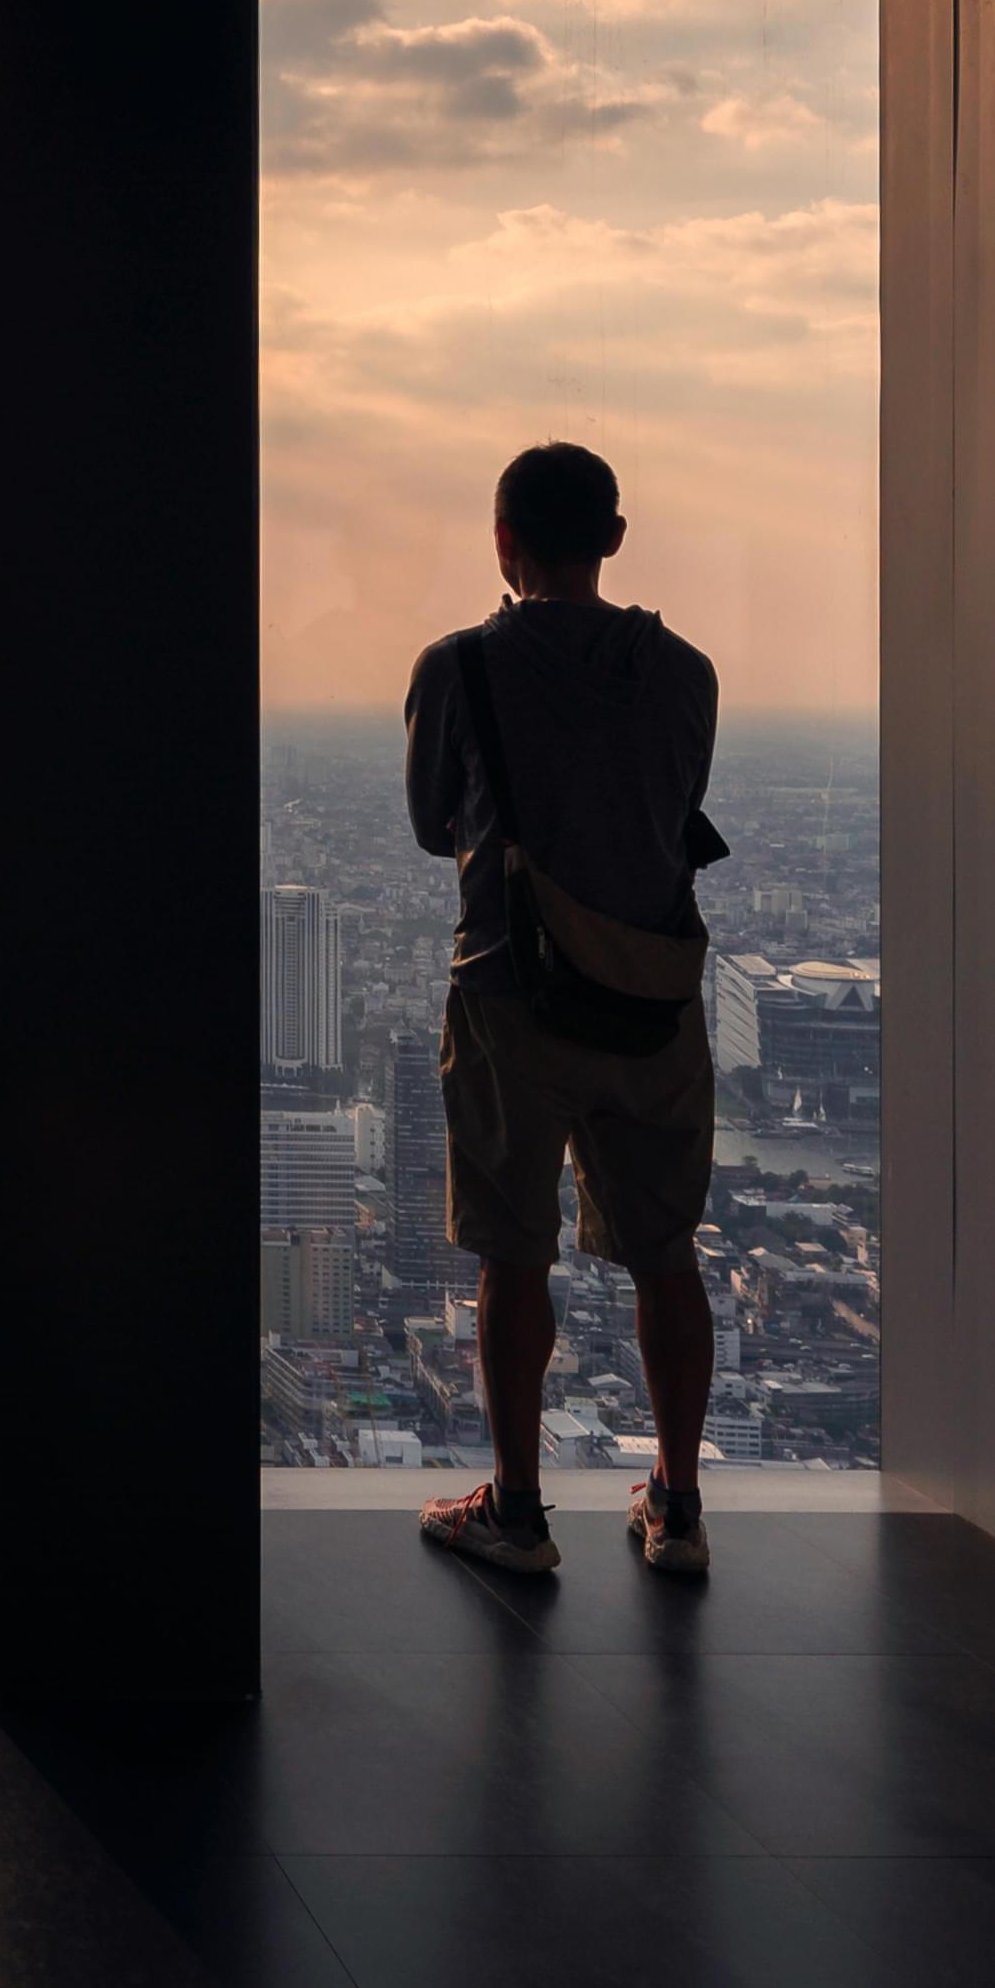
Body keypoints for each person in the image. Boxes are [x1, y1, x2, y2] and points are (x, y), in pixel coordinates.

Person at [404, 440, 723, 1580]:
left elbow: (433, 820)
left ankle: (520, 1511)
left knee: (511, 1257)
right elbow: (673, 806)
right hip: (653, 998)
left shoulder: (459, 668)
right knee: (665, 1253)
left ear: (504, 542)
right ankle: (676, 1505)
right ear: (615, 539)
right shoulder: (688, 673)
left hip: (508, 992)